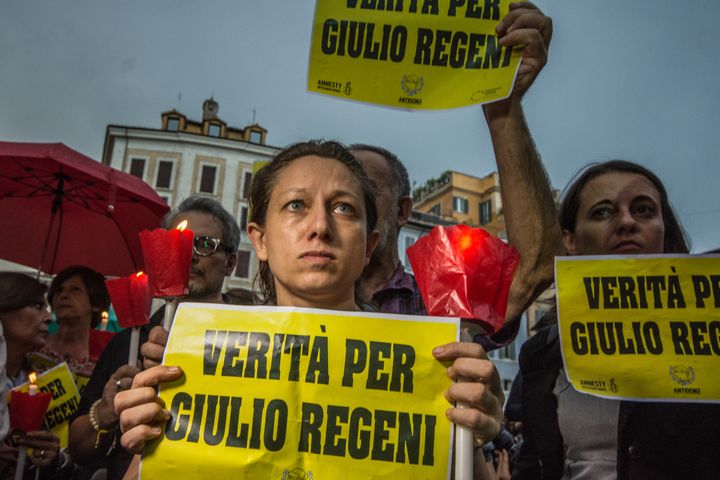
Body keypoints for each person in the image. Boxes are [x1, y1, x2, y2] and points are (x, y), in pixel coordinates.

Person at [114, 140, 505, 477]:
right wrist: (147, 441)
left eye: (343, 209)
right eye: (296, 204)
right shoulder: (193, 357)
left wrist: (466, 435)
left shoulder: (430, 367)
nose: (319, 225)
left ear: (368, 246)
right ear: (260, 240)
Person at [352, 1, 561, 349]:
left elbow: (535, 268)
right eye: (339, 196)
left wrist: (502, 104)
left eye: (368, 187)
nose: (350, 202)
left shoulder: (447, 298)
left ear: (404, 211)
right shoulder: (297, 297)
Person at [515, 160, 720, 479]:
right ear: (570, 241)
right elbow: (533, 467)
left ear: (664, 233)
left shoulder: (711, 331)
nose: (626, 222)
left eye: (643, 210)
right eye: (602, 212)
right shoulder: (540, 354)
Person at [67, 196, 239, 480]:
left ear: (230, 263)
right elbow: (79, 448)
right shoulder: (127, 342)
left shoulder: (249, 343)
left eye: (204, 245)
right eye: (176, 242)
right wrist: (109, 411)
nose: (190, 254)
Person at [0, 273, 73, 479]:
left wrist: (53, 457)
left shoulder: (45, 379)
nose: (50, 318)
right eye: (37, 306)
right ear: (4, 310)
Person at [36, 266, 111, 378]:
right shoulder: (36, 345)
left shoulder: (106, 355)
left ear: (97, 303)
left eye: (75, 289)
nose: (63, 295)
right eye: (59, 290)